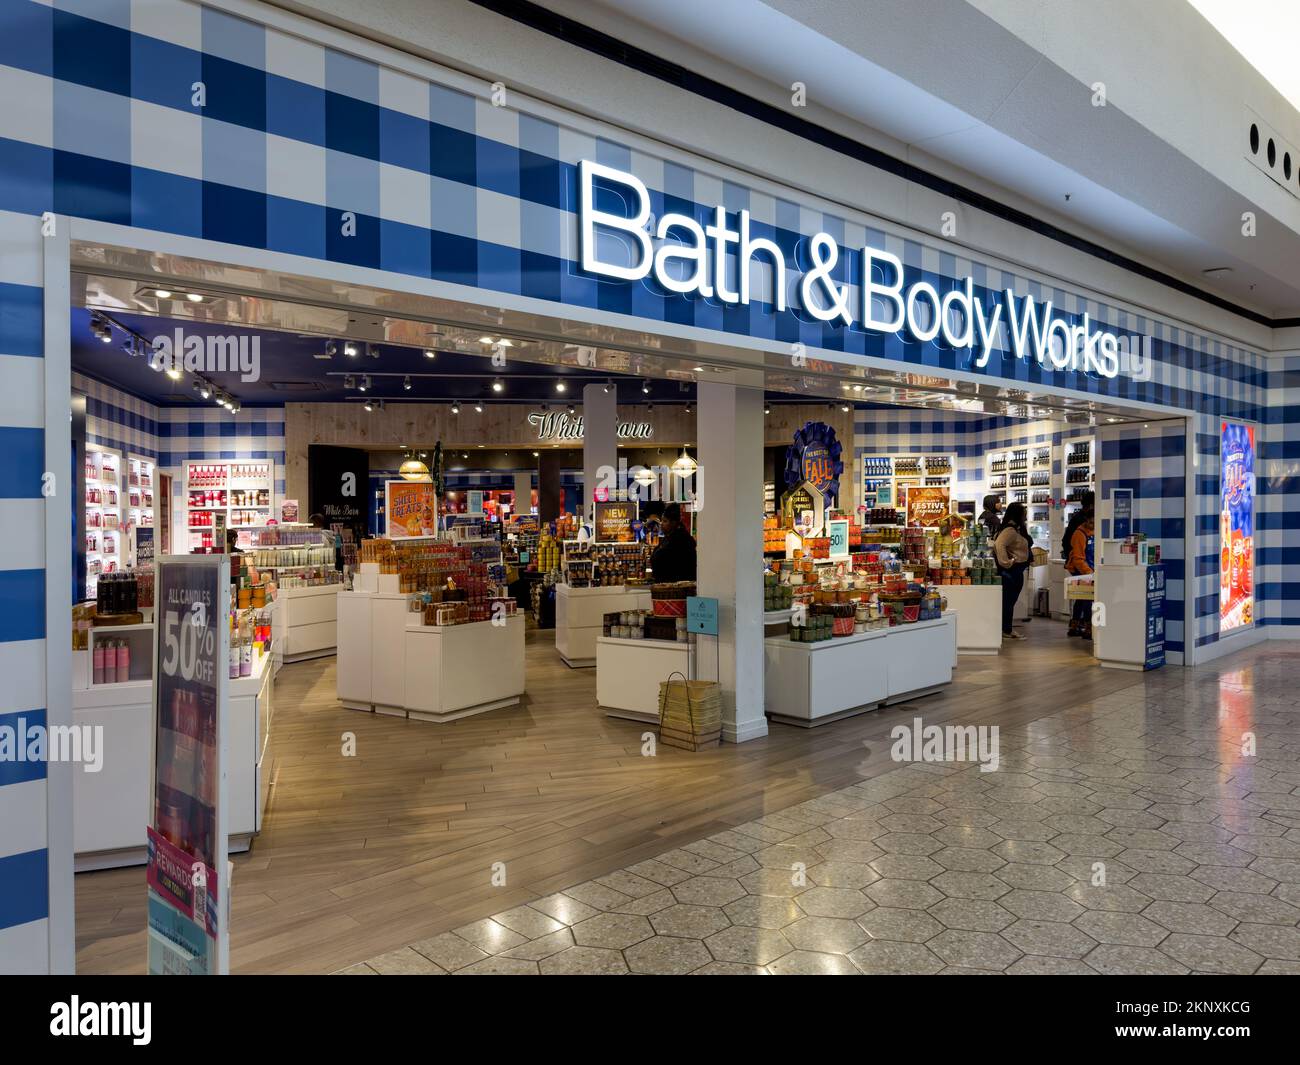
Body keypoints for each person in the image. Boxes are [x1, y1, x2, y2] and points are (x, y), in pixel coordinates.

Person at [993, 502, 1032, 640]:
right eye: (1024, 513)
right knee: (1008, 602)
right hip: (1011, 572)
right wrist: (1007, 562)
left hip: (1015, 571)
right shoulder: (1010, 530)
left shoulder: (1016, 529)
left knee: (1009, 602)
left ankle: (1006, 629)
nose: (1026, 516)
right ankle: (1006, 629)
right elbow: (999, 544)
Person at [1066, 509, 1095, 638]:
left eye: (1095, 522)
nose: (1092, 525)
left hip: (1090, 568)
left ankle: (1075, 626)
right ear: (1085, 520)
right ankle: (1088, 628)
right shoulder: (1079, 534)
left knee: (1082, 597)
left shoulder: (1095, 532)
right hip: (1081, 569)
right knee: (1088, 598)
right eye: (1090, 522)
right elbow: (1078, 559)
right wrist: (1089, 573)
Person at [649, 503, 697, 582]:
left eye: (665, 521)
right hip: (667, 586)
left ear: (673, 523)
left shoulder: (681, 540)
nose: (661, 524)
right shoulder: (668, 538)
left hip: (677, 587)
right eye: (661, 521)